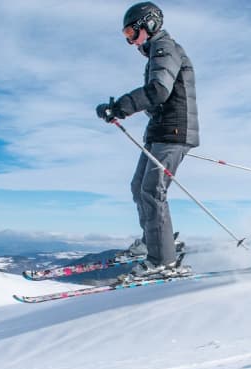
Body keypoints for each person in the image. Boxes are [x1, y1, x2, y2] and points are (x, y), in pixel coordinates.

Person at [96, 2, 199, 279]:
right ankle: (155, 243)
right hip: (160, 131)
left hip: (173, 132)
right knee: (138, 187)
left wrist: (121, 106)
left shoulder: (165, 48)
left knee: (153, 191)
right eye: (126, 35)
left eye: (132, 32)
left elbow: (158, 91)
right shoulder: (156, 52)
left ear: (149, 24)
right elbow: (158, 98)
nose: (130, 40)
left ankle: (163, 260)